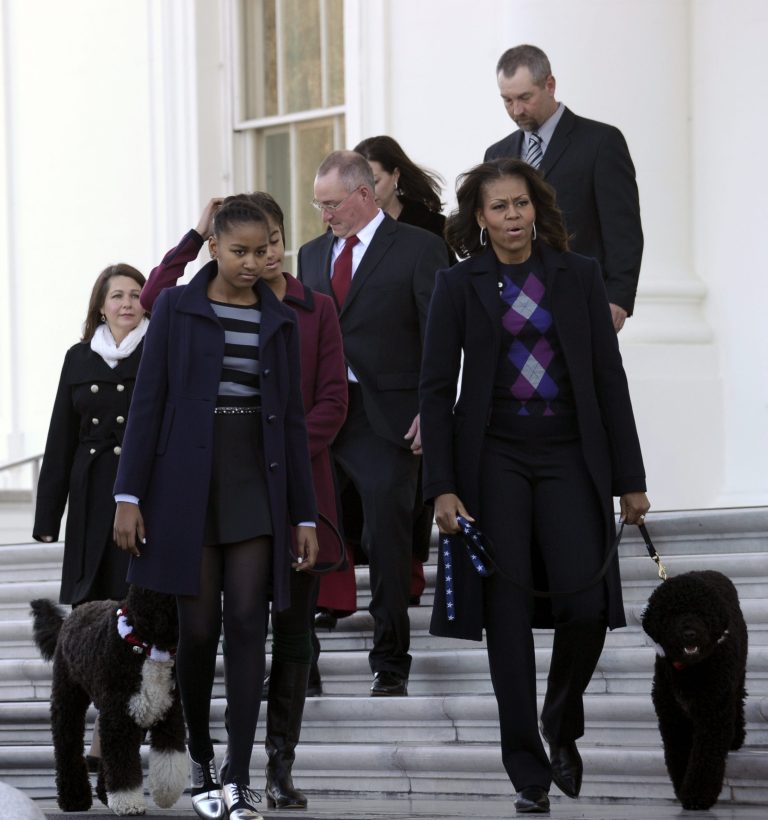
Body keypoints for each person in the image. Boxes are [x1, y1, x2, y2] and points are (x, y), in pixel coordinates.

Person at [419, 158, 650, 814]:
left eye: (521, 204)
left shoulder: (578, 277)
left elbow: (610, 379)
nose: (513, 217)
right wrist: (441, 486)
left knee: (585, 604)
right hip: (493, 461)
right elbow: (436, 392)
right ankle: (527, 770)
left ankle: (561, 715)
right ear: (480, 218)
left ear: (536, 208)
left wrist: (631, 479)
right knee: (508, 616)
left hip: (571, 457)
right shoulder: (458, 285)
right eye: (499, 207)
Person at [139, 193, 347, 811]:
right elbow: (149, 402)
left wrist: (304, 514)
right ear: (215, 247)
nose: (256, 262)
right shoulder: (177, 307)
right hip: (189, 484)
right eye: (240, 251)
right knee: (198, 631)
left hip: (260, 480)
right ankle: (200, 759)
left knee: (251, 628)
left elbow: (289, 422)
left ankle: (238, 771)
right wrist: (129, 495)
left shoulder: (281, 318)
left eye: (265, 249)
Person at [298, 150, 450, 697]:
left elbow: (442, 336)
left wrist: (435, 414)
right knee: (305, 534)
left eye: (332, 204)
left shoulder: (419, 248)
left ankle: (390, 662)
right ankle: (301, 663)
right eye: (319, 205)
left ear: (365, 195)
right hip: (321, 417)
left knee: (386, 542)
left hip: (388, 420)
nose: (325, 215)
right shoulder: (310, 255)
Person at [33, 263, 149, 770]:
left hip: (141, 500)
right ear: (100, 305)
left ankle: (108, 752)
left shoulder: (157, 350)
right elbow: (60, 437)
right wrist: (47, 514)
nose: (127, 302)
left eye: (135, 293)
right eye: (116, 295)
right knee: (91, 627)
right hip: (89, 501)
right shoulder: (79, 357)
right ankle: (91, 750)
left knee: (128, 634)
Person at [484, 44, 643, 333]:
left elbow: (623, 228)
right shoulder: (497, 154)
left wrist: (618, 297)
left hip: (581, 299)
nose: (516, 110)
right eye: (507, 101)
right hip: (512, 300)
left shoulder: (601, 142)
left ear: (550, 85)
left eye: (524, 98)